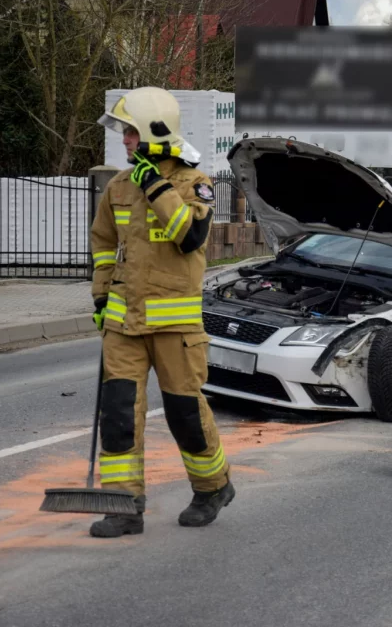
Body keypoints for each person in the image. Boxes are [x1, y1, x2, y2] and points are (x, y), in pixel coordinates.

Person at [89, 87, 233, 538]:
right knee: (118, 415)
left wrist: (155, 184)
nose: (125, 141)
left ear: (154, 132)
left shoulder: (194, 184)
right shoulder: (118, 187)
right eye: (124, 133)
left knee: (184, 413)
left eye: (131, 132)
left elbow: (189, 236)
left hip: (175, 326)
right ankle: (123, 507)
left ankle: (213, 487)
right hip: (124, 325)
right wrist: (101, 299)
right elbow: (103, 244)